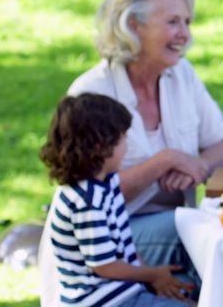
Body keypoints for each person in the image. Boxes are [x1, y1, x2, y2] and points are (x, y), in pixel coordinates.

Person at [67, 0, 223, 280]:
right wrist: (165, 162)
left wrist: (198, 164)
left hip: (177, 221)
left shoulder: (182, 74)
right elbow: (86, 200)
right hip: (110, 239)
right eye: (172, 22)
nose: (184, 34)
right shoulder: (91, 96)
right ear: (133, 26)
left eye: (187, 22)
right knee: (214, 242)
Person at [40, 93, 195, 306]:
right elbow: (105, 266)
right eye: (123, 138)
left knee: (194, 294)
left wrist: (152, 276)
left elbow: (124, 243)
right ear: (100, 146)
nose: (126, 145)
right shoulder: (87, 201)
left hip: (124, 290)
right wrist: (152, 275)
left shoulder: (107, 183)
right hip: (103, 301)